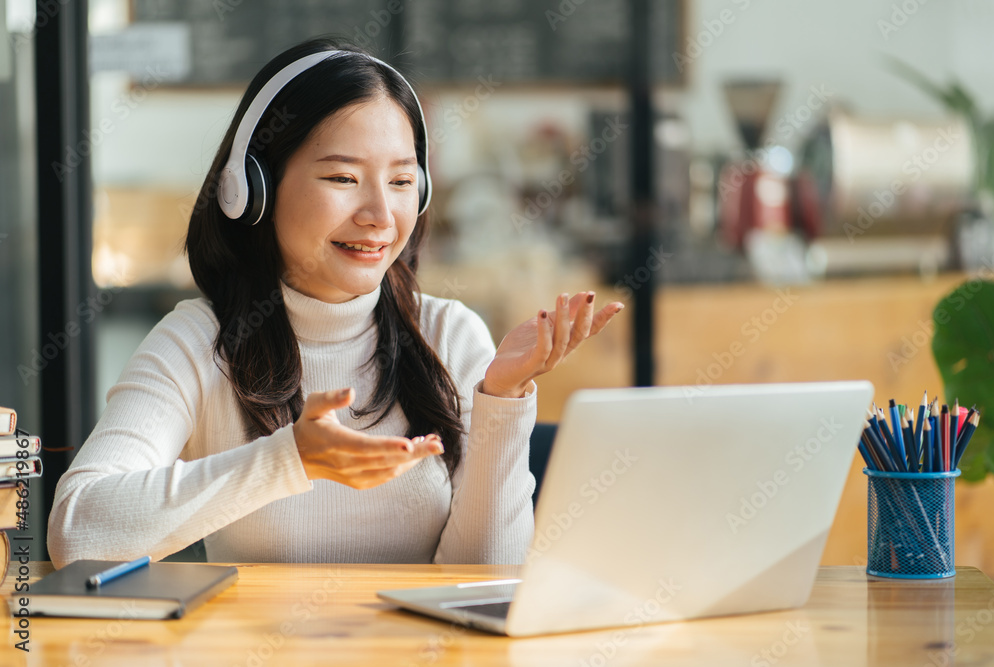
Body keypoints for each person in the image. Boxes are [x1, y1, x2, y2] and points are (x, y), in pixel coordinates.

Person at [47, 37, 623, 567]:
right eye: (344, 179)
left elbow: (484, 578)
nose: (379, 215)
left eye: (401, 182)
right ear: (253, 190)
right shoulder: (201, 341)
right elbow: (77, 532)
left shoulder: (449, 335)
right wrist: (287, 459)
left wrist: (503, 397)